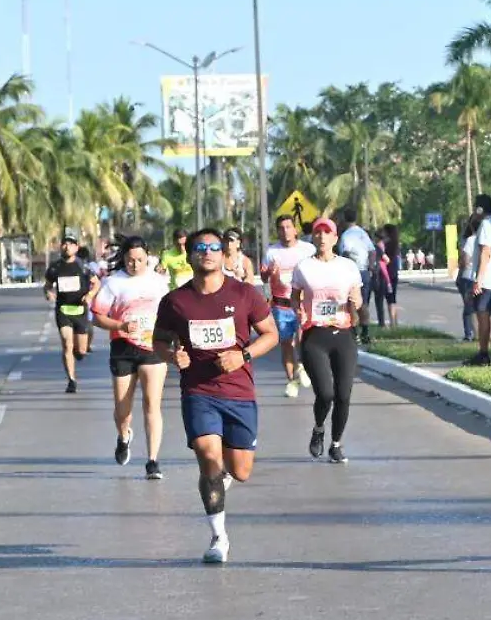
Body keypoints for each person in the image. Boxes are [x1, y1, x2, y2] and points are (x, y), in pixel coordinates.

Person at [152, 227, 278, 564]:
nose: (207, 252)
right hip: (198, 390)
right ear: (189, 254)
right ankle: (219, 537)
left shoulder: (244, 294)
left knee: (241, 471)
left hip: (239, 391)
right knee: (208, 456)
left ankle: (220, 478)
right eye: (200, 247)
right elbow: (159, 341)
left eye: (213, 247)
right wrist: (171, 355)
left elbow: (270, 334)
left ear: (224, 254)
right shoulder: (175, 301)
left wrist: (243, 355)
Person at [91, 236, 171, 481]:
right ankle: (124, 436)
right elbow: (97, 316)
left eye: (139, 259)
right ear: (123, 259)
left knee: (151, 404)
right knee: (122, 410)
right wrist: (120, 325)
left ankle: (152, 461)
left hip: (153, 348)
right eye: (129, 260)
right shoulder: (113, 283)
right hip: (123, 348)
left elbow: (171, 313)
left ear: (148, 256)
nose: (135, 264)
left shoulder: (159, 282)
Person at [289, 217, 363, 464]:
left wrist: (355, 304)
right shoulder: (304, 267)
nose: (322, 236)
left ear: (335, 238)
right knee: (326, 393)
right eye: (318, 232)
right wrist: (298, 310)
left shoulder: (348, 267)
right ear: (314, 238)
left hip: (343, 334)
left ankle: (336, 444)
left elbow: (357, 299)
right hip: (314, 336)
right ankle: (319, 428)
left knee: (343, 394)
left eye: (327, 232)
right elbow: (294, 296)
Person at [261, 214, 318, 399]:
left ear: (295, 230)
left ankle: (302, 366)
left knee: (303, 339)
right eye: (281, 228)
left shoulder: (307, 249)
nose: (285, 231)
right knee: (286, 344)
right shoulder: (272, 252)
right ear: (277, 231)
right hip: (281, 306)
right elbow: (263, 278)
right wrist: (270, 273)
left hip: (302, 304)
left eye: (288, 227)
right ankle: (291, 380)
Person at [45, 236, 99, 394]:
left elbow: (97, 283)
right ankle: (71, 380)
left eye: (70, 244)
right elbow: (47, 286)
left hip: (80, 311)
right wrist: (49, 293)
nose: (67, 247)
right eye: (64, 244)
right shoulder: (55, 268)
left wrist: (89, 295)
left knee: (81, 351)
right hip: (63, 310)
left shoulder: (83, 267)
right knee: (67, 344)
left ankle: (79, 352)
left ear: (76, 248)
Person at [336, 208, 376, 347]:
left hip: (352, 273)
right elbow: (372, 251)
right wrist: (371, 266)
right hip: (364, 271)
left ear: (344, 218)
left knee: (351, 302)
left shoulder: (347, 235)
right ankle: (365, 332)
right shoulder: (362, 233)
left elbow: (346, 253)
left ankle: (355, 332)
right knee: (363, 302)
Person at [469, 195, 491, 364]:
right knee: (486, 314)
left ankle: (483, 353)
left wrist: (478, 280)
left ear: (479, 209)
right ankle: (483, 352)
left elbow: (485, 252)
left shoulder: (486, 225)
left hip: (487, 279)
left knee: (482, 314)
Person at [455, 213, 482, 342]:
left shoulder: (470, 240)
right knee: (481, 307)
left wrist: (460, 265)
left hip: (469, 276)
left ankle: (470, 334)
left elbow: (464, 262)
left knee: (469, 308)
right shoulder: (490, 240)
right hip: (483, 277)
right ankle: (482, 334)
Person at [372, 224, 401, 328]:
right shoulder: (395, 243)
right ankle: (394, 323)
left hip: (386, 274)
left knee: (383, 298)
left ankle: (387, 323)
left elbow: (383, 259)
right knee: (392, 299)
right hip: (394, 272)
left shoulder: (383, 244)